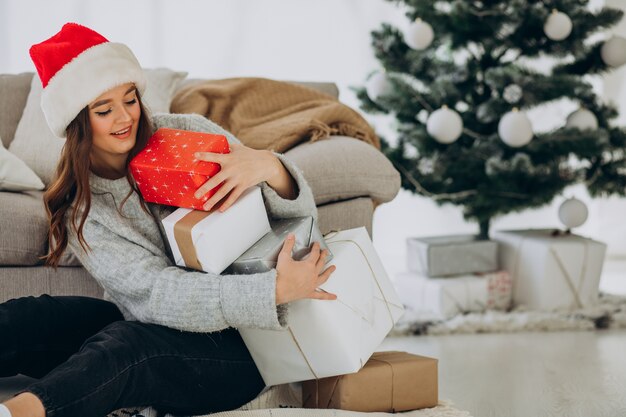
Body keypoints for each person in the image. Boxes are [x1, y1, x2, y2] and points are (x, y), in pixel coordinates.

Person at [0, 22, 336, 417]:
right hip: (164, 318)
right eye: (104, 110)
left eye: (130, 100)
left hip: (247, 348)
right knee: (35, 316)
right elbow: (155, 296)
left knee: (127, 347)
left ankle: (21, 413)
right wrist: (269, 291)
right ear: (76, 123)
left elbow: (301, 222)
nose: (125, 117)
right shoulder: (82, 209)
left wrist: (268, 166)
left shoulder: (187, 133)